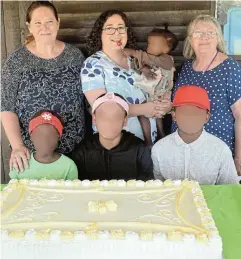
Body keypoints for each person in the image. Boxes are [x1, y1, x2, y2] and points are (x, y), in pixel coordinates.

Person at [1, 1, 85, 173]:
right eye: (37, 23)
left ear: (58, 23)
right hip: (33, 154)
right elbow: (6, 105)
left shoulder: (75, 56)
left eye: (49, 22)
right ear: (29, 26)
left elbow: (87, 96)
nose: (44, 27)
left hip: (74, 150)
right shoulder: (17, 61)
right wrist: (17, 147)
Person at [81, 10, 172, 145]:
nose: (117, 33)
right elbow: (100, 109)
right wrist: (146, 109)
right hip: (117, 146)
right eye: (110, 28)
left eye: (121, 28)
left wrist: (165, 106)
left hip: (148, 145)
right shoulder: (93, 64)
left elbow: (156, 87)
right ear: (100, 33)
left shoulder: (135, 60)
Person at [172, 14, 241, 175]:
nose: (204, 37)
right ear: (190, 39)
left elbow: (240, 115)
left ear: (218, 38)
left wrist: (238, 158)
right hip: (182, 149)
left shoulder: (229, 68)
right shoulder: (187, 67)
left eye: (210, 33)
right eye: (198, 33)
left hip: (215, 151)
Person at [152, 86, 238, 185]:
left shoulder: (221, 150)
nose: (190, 117)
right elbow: (158, 188)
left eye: (196, 112)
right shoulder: (159, 149)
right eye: (185, 112)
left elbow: (230, 189)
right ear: (174, 115)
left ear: (207, 117)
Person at [72, 93, 153, 181]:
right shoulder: (82, 151)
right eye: (103, 117)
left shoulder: (139, 150)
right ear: (94, 119)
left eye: (116, 117)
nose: (109, 123)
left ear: (124, 120)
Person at [123, 25, 178, 145]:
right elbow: (140, 65)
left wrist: (134, 52)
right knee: (144, 112)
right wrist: (144, 69)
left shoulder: (167, 60)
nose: (148, 46)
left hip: (161, 95)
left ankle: (159, 134)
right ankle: (149, 140)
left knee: (154, 114)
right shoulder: (153, 58)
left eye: (152, 44)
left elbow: (150, 60)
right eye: (148, 43)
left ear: (165, 48)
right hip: (151, 93)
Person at [9, 110, 78, 180]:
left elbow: (72, 189)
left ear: (59, 137)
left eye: (51, 135)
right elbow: (12, 188)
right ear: (31, 137)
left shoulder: (68, 166)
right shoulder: (20, 163)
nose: (45, 140)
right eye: (39, 135)